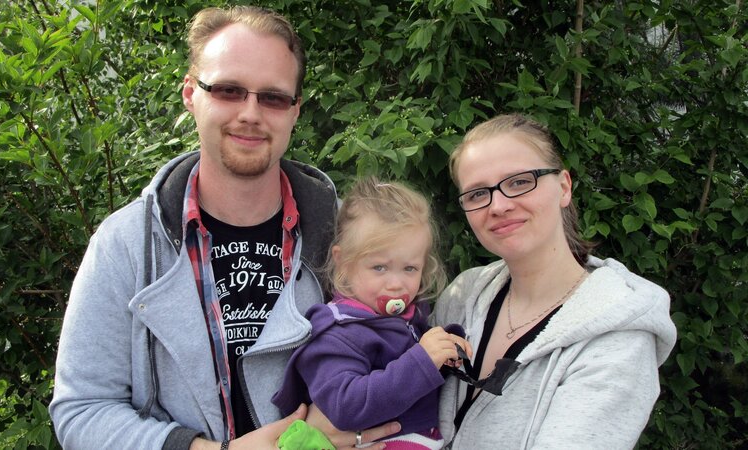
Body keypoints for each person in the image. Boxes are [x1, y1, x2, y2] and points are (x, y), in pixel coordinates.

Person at [49, 6, 396, 450]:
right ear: (190, 94)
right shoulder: (127, 244)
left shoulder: (353, 236)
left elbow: (406, 345)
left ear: (295, 111)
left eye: (273, 97)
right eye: (229, 90)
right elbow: (82, 412)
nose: (250, 113)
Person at [431, 113, 677, 449]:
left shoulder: (616, 339)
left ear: (563, 187)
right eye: (476, 194)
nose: (498, 205)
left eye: (519, 182)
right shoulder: (462, 297)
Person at [271, 177, 471, 450]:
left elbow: (414, 379)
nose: (396, 283)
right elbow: (345, 406)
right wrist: (422, 362)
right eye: (379, 267)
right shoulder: (337, 333)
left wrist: (444, 350)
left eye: (410, 268)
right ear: (343, 262)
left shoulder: (407, 318)